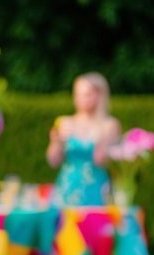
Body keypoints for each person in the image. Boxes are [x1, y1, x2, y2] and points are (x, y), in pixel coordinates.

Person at [47, 73, 121, 206]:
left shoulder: (109, 125)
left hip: (95, 186)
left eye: (87, 94)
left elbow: (101, 160)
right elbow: (53, 161)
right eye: (78, 94)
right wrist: (56, 141)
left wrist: (100, 136)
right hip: (67, 185)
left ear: (99, 95)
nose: (81, 99)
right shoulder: (64, 122)